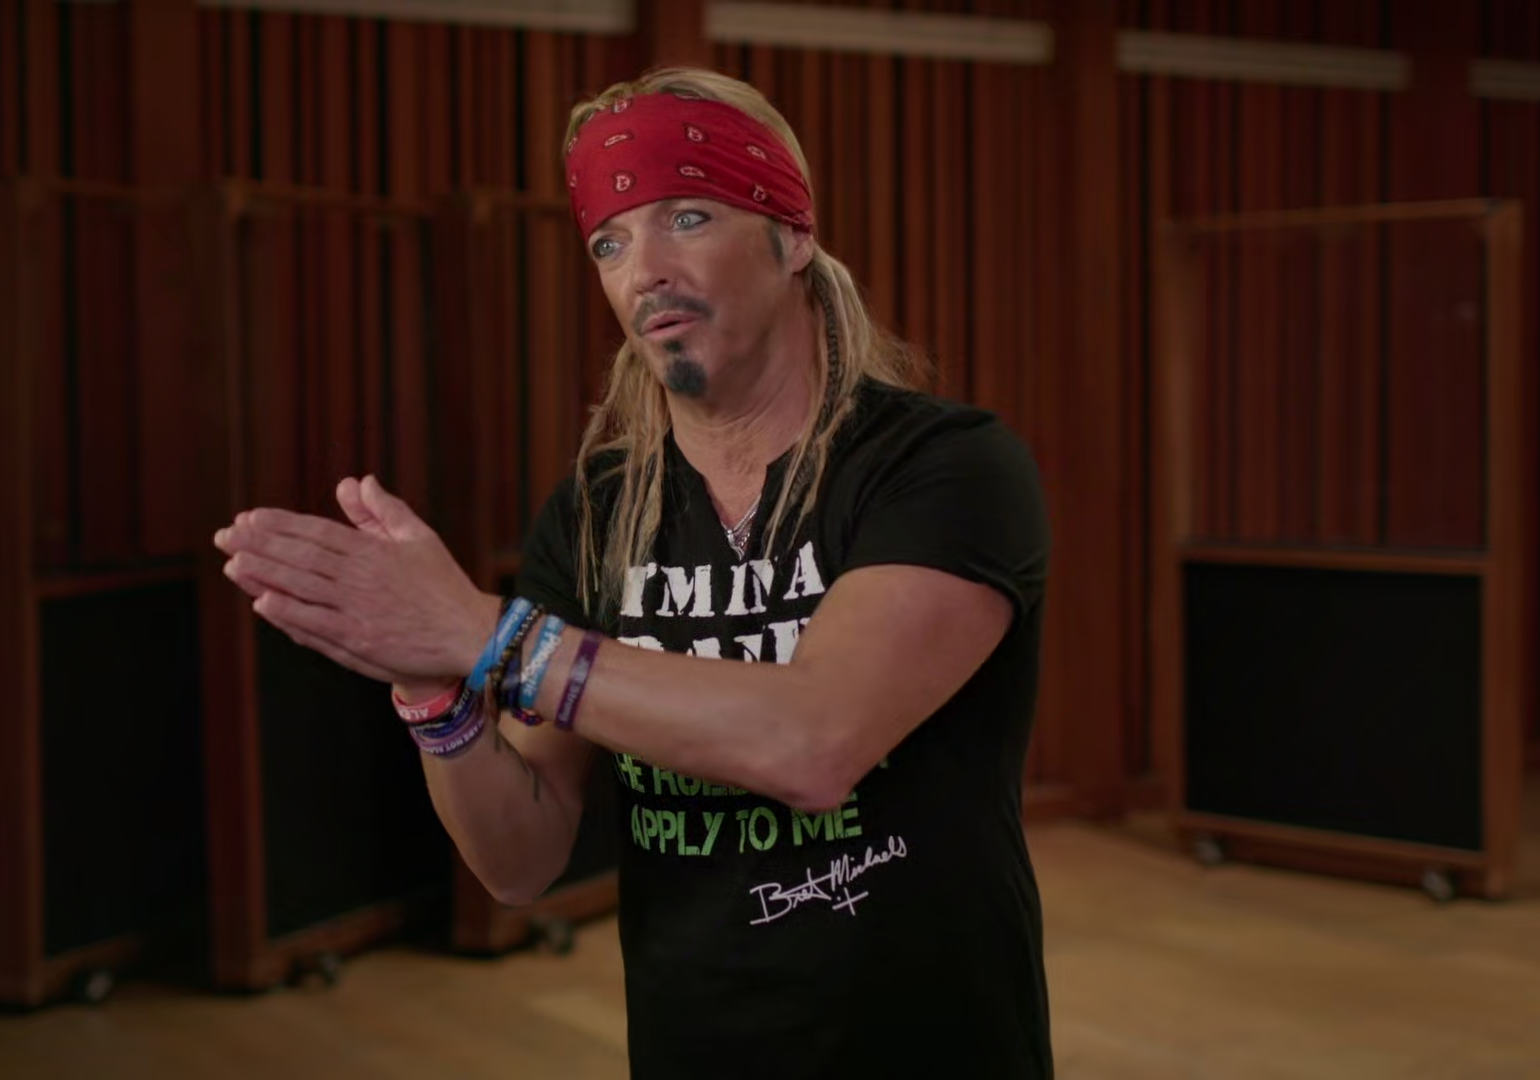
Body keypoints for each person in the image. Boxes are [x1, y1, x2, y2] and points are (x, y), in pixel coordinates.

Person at [214, 67, 1054, 1080]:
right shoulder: (597, 512)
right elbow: (520, 861)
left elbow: (813, 741)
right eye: (609, 243)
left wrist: (487, 637)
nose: (642, 270)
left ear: (791, 237)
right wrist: (431, 684)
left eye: (687, 218)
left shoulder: (943, 467)